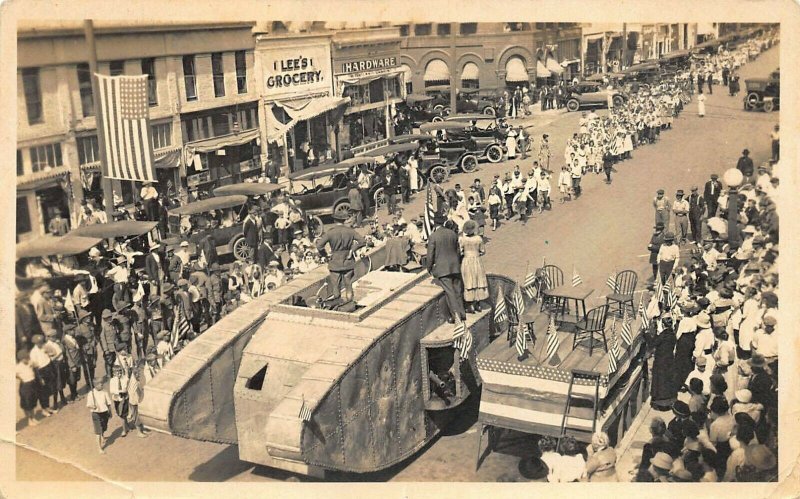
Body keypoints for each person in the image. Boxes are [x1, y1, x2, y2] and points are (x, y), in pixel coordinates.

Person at [315, 211, 366, 305]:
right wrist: (352, 250)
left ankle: (338, 304)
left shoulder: (330, 232)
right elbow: (362, 241)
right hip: (348, 260)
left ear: (334, 220)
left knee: (335, 285)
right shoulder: (350, 231)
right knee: (348, 284)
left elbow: (319, 246)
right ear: (345, 220)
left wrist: (325, 255)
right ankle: (350, 304)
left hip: (335, 261)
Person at [426, 214, 465, 323]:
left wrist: (429, 268)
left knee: (450, 292)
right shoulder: (452, 233)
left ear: (434, 224)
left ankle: (456, 316)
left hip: (443, 269)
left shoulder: (433, 236)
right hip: (455, 266)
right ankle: (462, 312)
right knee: (458, 290)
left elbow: (430, 255)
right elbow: (457, 251)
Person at [459, 220, 488, 314]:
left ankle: (470, 304)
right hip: (477, 260)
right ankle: (478, 303)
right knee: (478, 279)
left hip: (467, 260)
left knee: (468, 280)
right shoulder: (479, 239)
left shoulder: (462, 239)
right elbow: (483, 251)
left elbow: (460, 251)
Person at [651, 316, 678, 410]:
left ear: (663, 325)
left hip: (661, 361)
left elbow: (653, 343)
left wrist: (646, 334)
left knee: (660, 381)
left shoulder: (663, 336)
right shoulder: (673, 335)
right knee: (667, 380)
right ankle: (667, 398)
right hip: (669, 359)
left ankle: (660, 399)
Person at [87, 375, 114, 453]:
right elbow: (89, 404)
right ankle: (99, 448)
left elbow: (108, 402)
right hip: (96, 414)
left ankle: (102, 434)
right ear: (96, 385)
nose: (102, 385)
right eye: (101, 384)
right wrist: (93, 406)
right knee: (98, 431)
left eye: (102, 383)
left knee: (104, 427)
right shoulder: (91, 393)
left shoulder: (105, 391)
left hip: (104, 412)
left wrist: (110, 411)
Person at [16, 349, 42, 426]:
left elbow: (36, 365)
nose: (27, 359)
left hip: (32, 383)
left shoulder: (30, 362)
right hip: (25, 385)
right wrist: (21, 378)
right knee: (27, 403)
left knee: (33, 401)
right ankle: (29, 420)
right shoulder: (18, 367)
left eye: (27, 358)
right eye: (25, 358)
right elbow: (15, 374)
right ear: (21, 359)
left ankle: (33, 418)